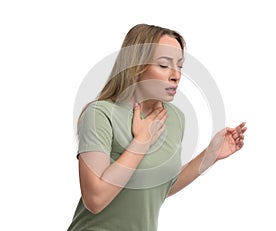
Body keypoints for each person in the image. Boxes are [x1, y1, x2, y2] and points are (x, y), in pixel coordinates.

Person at [67, 23, 247, 231]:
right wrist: (141, 142)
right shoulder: (100, 114)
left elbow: (157, 187)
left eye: (179, 66)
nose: (176, 75)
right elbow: (95, 199)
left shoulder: (175, 118)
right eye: (163, 65)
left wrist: (210, 155)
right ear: (136, 67)